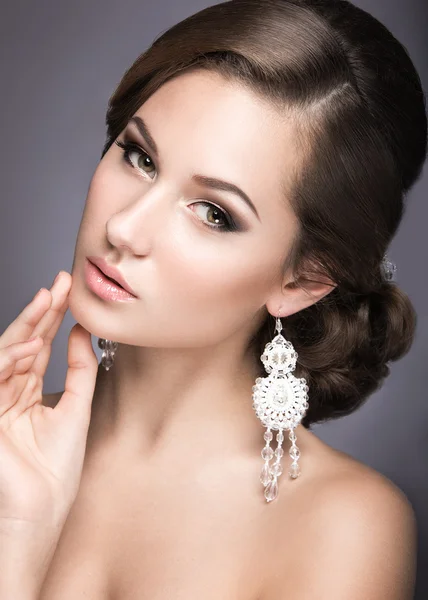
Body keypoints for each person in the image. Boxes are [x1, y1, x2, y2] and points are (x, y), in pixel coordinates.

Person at [1, 0, 426, 598]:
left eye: (214, 213)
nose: (124, 228)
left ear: (302, 280)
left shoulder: (345, 525)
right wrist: (15, 531)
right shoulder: (9, 450)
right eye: (140, 157)